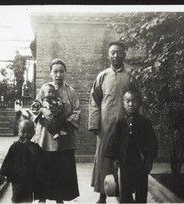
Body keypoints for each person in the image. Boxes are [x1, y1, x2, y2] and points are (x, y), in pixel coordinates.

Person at [88, 41, 140, 203]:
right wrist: (95, 124)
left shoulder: (131, 76)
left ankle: (127, 193)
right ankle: (102, 195)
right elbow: (94, 100)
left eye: (119, 52)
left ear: (124, 54)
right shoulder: (102, 76)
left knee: (126, 158)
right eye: (113, 53)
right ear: (108, 55)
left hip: (126, 126)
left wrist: (137, 123)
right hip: (106, 126)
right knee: (104, 159)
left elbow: (138, 100)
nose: (116, 56)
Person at [32, 58, 81, 203]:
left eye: (61, 71)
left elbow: (77, 110)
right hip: (46, 138)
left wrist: (66, 122)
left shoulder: (70, 91)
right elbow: (34, 107)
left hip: (64, 137)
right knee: (44, 168)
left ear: (65, 72)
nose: (58, 75)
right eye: (55, 71)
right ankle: (42, 198)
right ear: (50, 73)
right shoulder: (44, 88)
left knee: (61, 170)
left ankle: (60, 198)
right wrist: (42, 110)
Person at [104, 90, 158, 203]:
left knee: (141, 190)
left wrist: (149, 158)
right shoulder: (119, 123)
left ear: (140, 103)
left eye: (134, 101)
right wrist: (115, 159)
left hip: (141, 163)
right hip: (124, 162)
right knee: (125, 191)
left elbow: (151, 142)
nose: (131, 104)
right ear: (123, 103)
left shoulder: (145, 122)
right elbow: (113, 143)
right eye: (127, 101)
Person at [0, 120, 45, 203]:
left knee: (28, 199)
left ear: (33, 133)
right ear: (18, 132)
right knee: (16, 198)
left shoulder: (35, 147)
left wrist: (29, 147)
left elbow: (40, 160)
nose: (25, 135)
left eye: (28, 132)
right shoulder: (14, 147)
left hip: (30, 181)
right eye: (23, 132)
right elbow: (7, 162)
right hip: (17, 180)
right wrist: (9, 174)